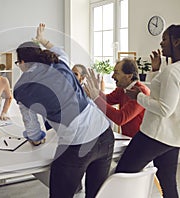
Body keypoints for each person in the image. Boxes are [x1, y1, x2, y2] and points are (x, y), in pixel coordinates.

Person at [14, 23, 114, 198]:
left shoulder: (22, 89)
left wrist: (37, 139)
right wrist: (42, 39)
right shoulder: (58, 61)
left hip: (78, 143)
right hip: (104, 133)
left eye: (18, 63)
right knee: (96, 195)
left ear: (22, 62)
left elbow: (33, 128)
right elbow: (59, 50)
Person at [115, 24, 180, 198]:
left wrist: (138, 97)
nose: (161, 43)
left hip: (154, 135)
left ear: (176, 42)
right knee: (168, 185)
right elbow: (162, 93)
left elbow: (165, 109)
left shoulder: (173, 72)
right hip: (172, 139)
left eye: (165, 39)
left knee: (121, 176)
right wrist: (156, 70)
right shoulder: (171, 71)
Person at [85, 58, 150, 137]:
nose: (112, 76)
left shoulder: (141, 92)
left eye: (116, 73)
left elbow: (120, 118)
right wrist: (96, 91)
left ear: (129, 76)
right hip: (127, 138)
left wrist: (96, 98)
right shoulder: (122, 89)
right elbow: (107, 100)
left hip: (139, 140)